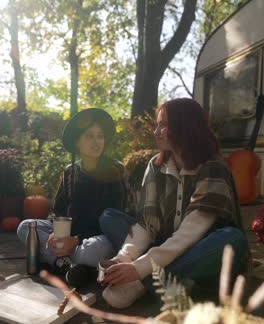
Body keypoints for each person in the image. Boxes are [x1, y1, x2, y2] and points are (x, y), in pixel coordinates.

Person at [99, 98, 250, 309]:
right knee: (109, 216)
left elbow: (192, 231)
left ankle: (143, 283)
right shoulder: (156, 165)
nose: (156, 131)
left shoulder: (213, 166)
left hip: (202, 254)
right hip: (165, 244)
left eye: (163, 125)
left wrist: (139, 269)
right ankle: (167, 277)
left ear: (185, 126)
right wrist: (123, 258)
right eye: (157, 125)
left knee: (232, 239)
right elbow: (146, 224)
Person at [17, 108, 132, 285]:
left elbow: (114, 219)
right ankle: (70, 265)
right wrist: (55, 234)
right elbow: (59, 210)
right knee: (26, 227)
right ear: (77, 142)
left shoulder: (115, 170)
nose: (96, 142)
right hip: (70, 234)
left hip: (98, 237)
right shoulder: (70, 172)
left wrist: (76, 240)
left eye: (100, 136)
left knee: (96, 249)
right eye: (89, 136)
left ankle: (62, 262)